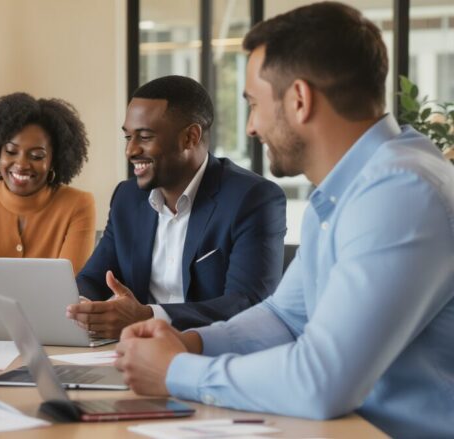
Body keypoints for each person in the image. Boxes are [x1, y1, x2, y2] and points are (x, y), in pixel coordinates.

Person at [112, 3, 454, 437]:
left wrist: (176, 371)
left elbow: (321, 381)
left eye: (254, 104)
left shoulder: (400, 192)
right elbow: (285, 317)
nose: (251, 127)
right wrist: (191, 343)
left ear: (298, 99)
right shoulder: (347, 188)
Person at [67, 75, 286, 337]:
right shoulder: (127, 198)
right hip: (129, 352)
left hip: (211, 355)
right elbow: (93, 278)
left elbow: (248, 305)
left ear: (190, 137)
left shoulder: (253, 199)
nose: (131, 151)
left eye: (145, 137)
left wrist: (149, 316)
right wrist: (83, 306)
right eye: (128, 137)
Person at [0, 92, 95, 273]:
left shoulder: (77, 205)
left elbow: (71, 287)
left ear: (55, 160)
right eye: (11, 151)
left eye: (37, 156)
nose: (21, 164)